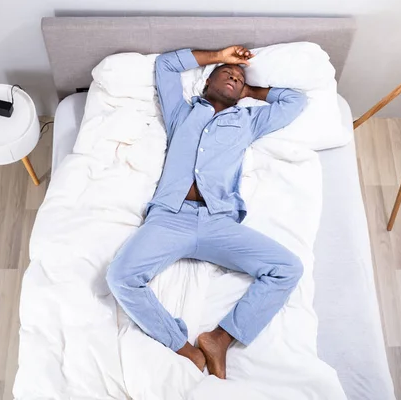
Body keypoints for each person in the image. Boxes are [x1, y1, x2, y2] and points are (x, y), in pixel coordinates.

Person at [106, 46, 307, 379]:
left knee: (287, 268)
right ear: (207, 82)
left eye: (239, 77)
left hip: (219, 222)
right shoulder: (181, 113)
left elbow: (296, 102)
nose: (234, 75)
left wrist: (252, 91)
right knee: (120, 277)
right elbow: (166, 65)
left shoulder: (249, 120)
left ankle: (219, 340)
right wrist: (220, 54)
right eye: (227, 72)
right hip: (170, 217)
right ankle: (183, 348)